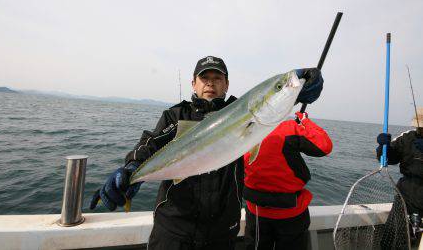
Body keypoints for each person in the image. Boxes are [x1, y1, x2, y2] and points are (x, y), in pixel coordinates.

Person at [90, 55, 324, 250]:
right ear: (194, 83)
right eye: (204, 78)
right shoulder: (177, 116)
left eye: (217, 78)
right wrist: (132, 167)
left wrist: (298, 88)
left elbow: (269, 106)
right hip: (173, 231)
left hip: (222, 233)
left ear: (227, 84)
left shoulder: (242, 108)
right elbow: (150, 143)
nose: (210, 83)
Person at [243, 111, 332, 250]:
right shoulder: (289, 128)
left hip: (256, 213)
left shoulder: (243, 131)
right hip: (291, 215)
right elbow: (324, 145)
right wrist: (304, 121)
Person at [376, 107, 423, 246]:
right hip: (405, 197)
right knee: (392, 240)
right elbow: (388, 159)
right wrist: (384, 148)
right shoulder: (408, 137)